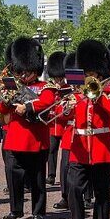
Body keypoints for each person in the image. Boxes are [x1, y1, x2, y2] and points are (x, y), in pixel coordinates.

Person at [65, 40, 110, 219]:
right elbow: (63, 118)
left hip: (100, 149)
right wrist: (68, 107)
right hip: (79, 149)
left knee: (101, 192)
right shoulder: (75, 94)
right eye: (87, 73)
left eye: (93, 74)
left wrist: (99, 97)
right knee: (74, 188)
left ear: (99, 74)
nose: (90, 77)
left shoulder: (109, 93)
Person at [0, 37, 56, 219]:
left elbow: (47, 102)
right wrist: (5, 102)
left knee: (37, 177)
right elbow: (2, 110)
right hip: (15, 139)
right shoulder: (13, 87)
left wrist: (28, 107)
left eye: (27, 71)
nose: (23, 75)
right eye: (21, 71)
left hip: (35, 139)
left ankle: (38, 210)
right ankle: (16, 210)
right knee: (14, 177)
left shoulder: (44, 87)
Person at [52, 51, 76, 211]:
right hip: (70, 133)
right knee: (65, 166)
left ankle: (87, 196)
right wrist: (66, 107)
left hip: (87, 134)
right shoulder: (67, 92)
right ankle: (65, 196)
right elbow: (60, 112)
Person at [45, 51, 68, 185]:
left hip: (63, 125)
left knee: (65, 154)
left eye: (60, 78)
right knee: (51, 150)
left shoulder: (68, 88)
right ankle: (51, 174)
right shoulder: (50, 88)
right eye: (56, 78)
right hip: (52, 124)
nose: (58, 81)